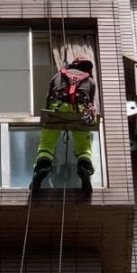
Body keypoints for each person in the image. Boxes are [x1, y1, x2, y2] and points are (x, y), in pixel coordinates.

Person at [30, 56, 97, 197]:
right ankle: (84, 166)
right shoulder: (90, 81)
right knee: (84, 147)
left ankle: (43, 166)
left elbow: (49, 99)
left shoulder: (57, 76)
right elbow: (90, 103)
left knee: (47, 144)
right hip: (80, 111)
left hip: (57, 109)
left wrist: (50, 120)